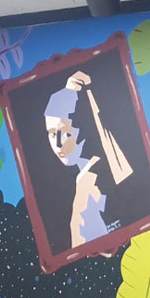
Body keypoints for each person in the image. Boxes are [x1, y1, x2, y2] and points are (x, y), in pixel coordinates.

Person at [44, 72, 109, 248]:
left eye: (66, 133)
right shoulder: (80, 180)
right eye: (52, 134)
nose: (58, 144)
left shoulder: (98, 175)